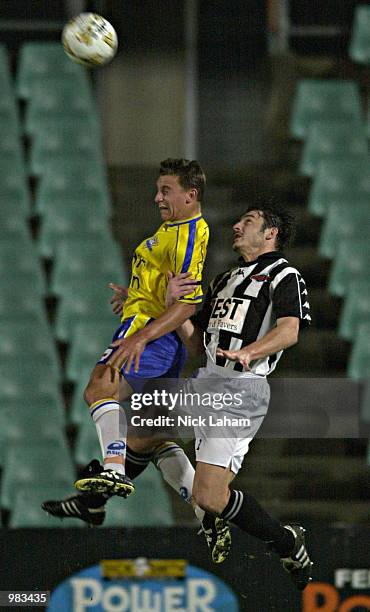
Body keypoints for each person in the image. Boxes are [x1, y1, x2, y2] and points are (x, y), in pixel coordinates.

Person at [42, 158, 231, 563]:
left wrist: (143, 333)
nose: (157, 197)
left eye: (166, 190)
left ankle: (111, 468)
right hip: (154, 330)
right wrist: (135, 293)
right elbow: (169, 290)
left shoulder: (190, 232)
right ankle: (205, 513)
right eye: (158, 189)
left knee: (99, 387)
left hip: (149, 334)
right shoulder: (173, 230)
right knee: (152, 434)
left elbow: (189, 301)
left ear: (190, 194)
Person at [136, 201, 313, 590]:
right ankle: (204, 514)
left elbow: (290, 330)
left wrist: (251, 351)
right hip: (207, 380)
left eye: (247, 221)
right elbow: (198, 343)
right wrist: (173, 307)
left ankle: (286, 541)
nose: (236, 225)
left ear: (270, 233)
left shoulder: (284, 274)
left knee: (211, 496)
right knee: (144, 425)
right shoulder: (225, 279)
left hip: (239, 390)